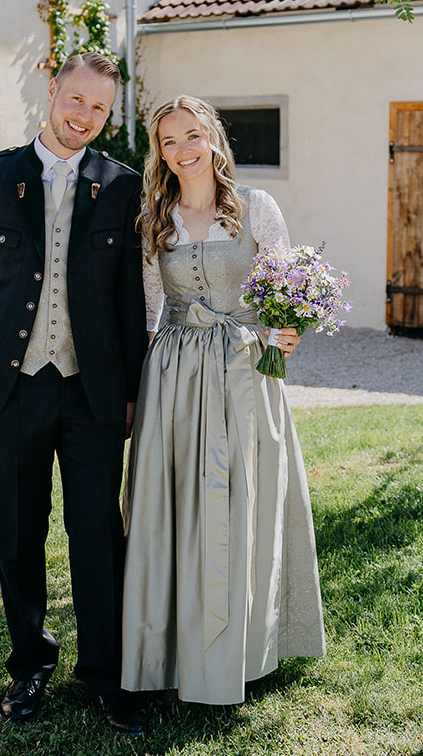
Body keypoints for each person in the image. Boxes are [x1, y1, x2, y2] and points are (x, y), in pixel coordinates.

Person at [0, 52, 149, 736]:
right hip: (10, 390)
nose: (83, 116)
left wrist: (131, 392)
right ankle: (29, 664)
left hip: (92, 395)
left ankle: (106, 676)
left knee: (95, 535)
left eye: (98, 109)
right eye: (75, 100)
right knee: (17, 536)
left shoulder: (121, 186)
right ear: (51, 92)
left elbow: (126, 303)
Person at [121, 95, 325, 705]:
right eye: (168, 142)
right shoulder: (156, 219)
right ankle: (172, 645)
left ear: (212, 138)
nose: (182, 151)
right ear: (159, 153)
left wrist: (289, 330)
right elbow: (151, 305)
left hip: (243, 368)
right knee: (176, 501)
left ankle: (248, 643)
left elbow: (287, 286)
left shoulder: (255, 208)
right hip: (175, 376)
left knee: (245, 495)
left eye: (191, 136)